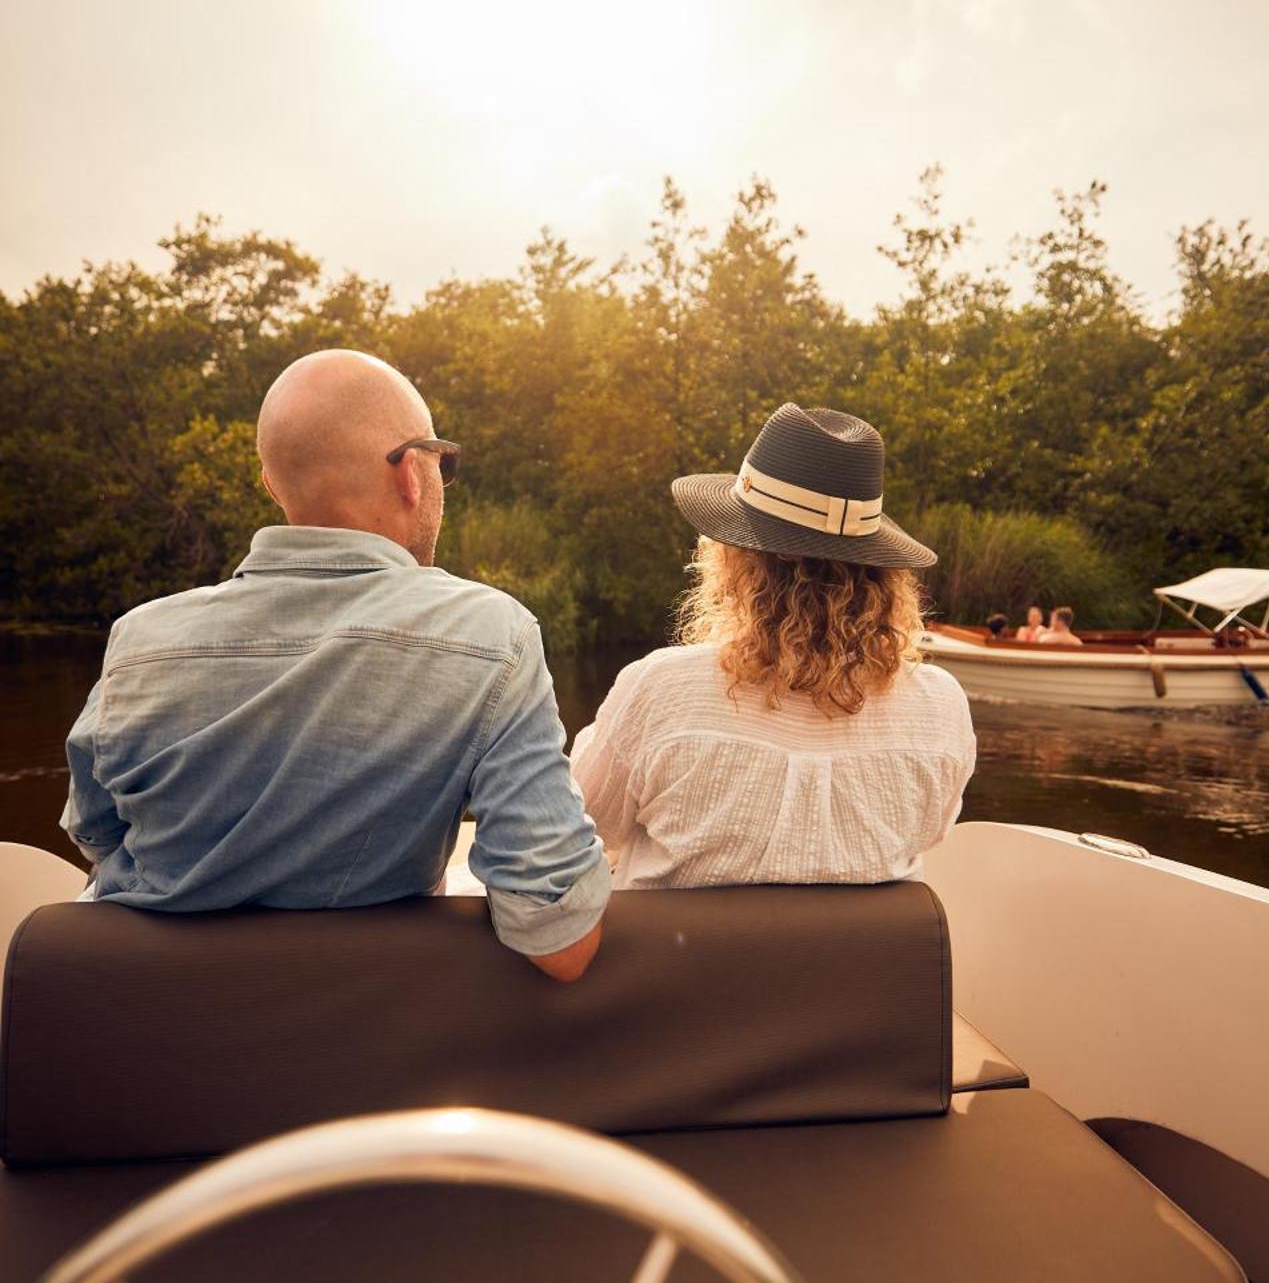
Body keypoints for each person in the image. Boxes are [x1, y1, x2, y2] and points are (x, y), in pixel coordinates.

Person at [61, 350, 608, 981]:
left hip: (146, 1043)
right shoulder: (491, 635)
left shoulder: (138, 639)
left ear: (273, 486)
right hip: (360, 1051)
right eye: (441, 463)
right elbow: (558, 940)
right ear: (410, 473)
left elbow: (96, 836)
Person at [570, 402, 976, 889]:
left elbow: (580, 824)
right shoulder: (940, 707)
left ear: (737, 559)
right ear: (883, 573)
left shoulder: (661, 689)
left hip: (687, 966)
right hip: (858, 967)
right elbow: (930, 833)